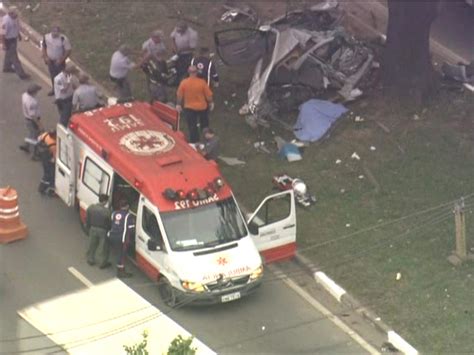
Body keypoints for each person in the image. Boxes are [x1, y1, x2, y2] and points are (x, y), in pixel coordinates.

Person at [176, 65, 214, 143]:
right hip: (202, 107)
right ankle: (207, 140)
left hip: (189, 108)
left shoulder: (184, 83)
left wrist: (178, 104)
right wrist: (211, 102)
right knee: (205, 125)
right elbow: (208, 95)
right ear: (196, 72)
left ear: (188, 72)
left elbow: (179, 95)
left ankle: (195, 142)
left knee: (192, 127)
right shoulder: (202, 82)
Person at [42, 25, 72, 96]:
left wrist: (61, 60)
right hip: (50, 61)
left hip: (59, 62)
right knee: (53, 76)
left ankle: (62, 92)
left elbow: (68, 50)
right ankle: (54, 89)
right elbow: (44, 47)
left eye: (57, 32)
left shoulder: (63, 39)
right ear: (51, 31)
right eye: (54, 31)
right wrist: (45, 57)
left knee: (61, 77)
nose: (55, 33)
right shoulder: (46, 37)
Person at [109, 200, 136, 278]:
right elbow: (131, 229)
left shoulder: (114, 213)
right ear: (127, 206)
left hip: (112, 235)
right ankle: (120, 272)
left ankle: (119, 267)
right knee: (122, 255)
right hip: (122, 238)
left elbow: (112, 223)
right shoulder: (128, 216)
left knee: (118, 252)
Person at [1, 6, 29, 79]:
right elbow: (2, 34)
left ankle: (6, 67)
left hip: (13, 38)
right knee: (14, 58)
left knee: (9, 54)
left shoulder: (15, 18)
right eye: (15, 14)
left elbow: (16, 26)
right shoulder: (6, 21)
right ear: (11, 13)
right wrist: (3, 44)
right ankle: (21, 74)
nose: (17, 16)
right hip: (8, 41)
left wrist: (18, 34)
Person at [140, 30, 168, 102]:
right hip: (150, 64)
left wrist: (160, 55)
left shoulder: (160, 43)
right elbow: (143, 54)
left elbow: (164, 51)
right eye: (159, 38)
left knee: (160, 78)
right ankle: (153, 96)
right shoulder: (147, 44)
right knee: (151, 79)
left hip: (158, 63)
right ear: (154, 38)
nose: (160, 39)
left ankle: (162, 93)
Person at [85, 194, 112, 268]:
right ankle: (102, 263)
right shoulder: (107, 211)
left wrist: (87, 227)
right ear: (104, 201)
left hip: (93, 228)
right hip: (103, 230)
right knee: (103, 247)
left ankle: (90, 259)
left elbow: (87, 218)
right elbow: (109, 222)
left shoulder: (91, 207)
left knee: (92, 244)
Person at [19, 83, 42, 158]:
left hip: (27, 119)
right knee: (35, 137)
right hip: (32, 120)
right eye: (37, 91)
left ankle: (26, 145)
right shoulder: (31, 102)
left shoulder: (24, 95)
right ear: (33, 92)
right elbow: (33, 116)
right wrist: (39, 124)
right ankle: (34, 154)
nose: (37, 92)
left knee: (31, 133)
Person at [37, 130, 56, 196]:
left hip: (42, 155)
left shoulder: (46, 135)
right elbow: (55, 157)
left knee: (46, 173)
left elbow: (39, 138)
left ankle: (44, 187)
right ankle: (45, 188)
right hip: (47, 158)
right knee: (50, 174)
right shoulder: (53, 145)